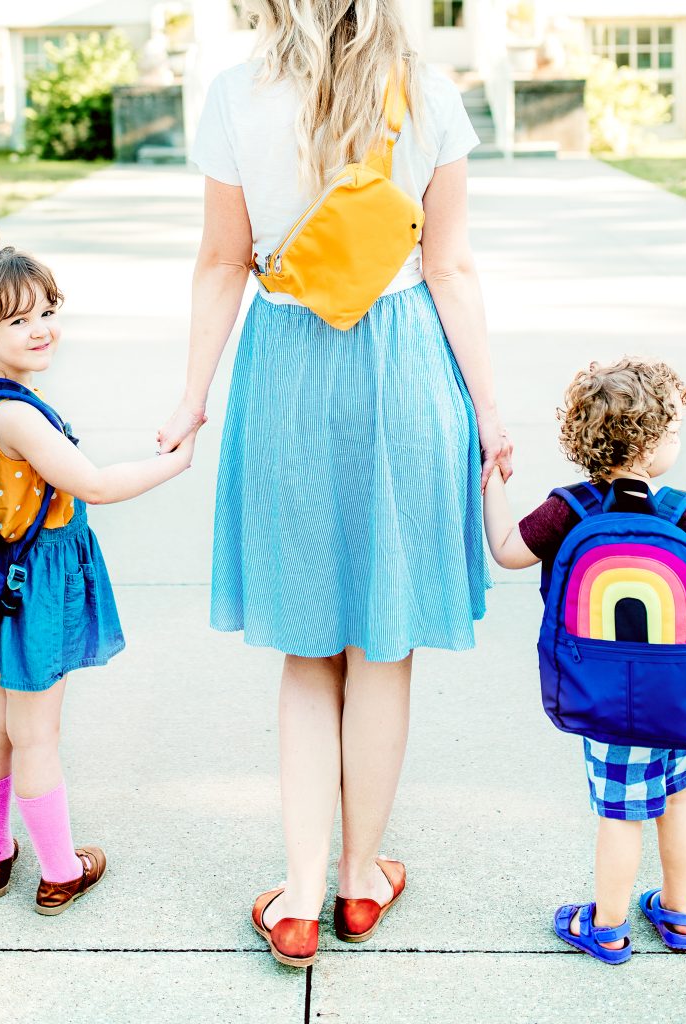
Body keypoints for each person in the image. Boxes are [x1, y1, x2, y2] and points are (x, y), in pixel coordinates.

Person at [157, 1, 512, 966]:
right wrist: (487, 408)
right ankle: (363, 881)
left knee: (311, 653)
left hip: (288, 371)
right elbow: (450, 267)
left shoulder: (235, 96)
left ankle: (302, 900)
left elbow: (222, 263)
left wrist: (192, 398)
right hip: (404, 371)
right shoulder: (430, 93)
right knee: (383, 647)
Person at [0, 225, 201, 915]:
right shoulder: (15, 416)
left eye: (47, 312)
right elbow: (93, 484)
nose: (41, 331)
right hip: (35, 586)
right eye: (19, 320)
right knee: (35, 734)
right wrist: (173, 463)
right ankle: (60, 870)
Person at [483, 358, 686, 964]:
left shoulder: (571, 509)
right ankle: (678, 915)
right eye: (673, 432)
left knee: (622, 815)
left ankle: (609, 928)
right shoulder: (684, 512)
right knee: (679, 802)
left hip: (605, 697)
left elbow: (507, 551)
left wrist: (491, 481)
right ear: (651, 446)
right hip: (681, 695)